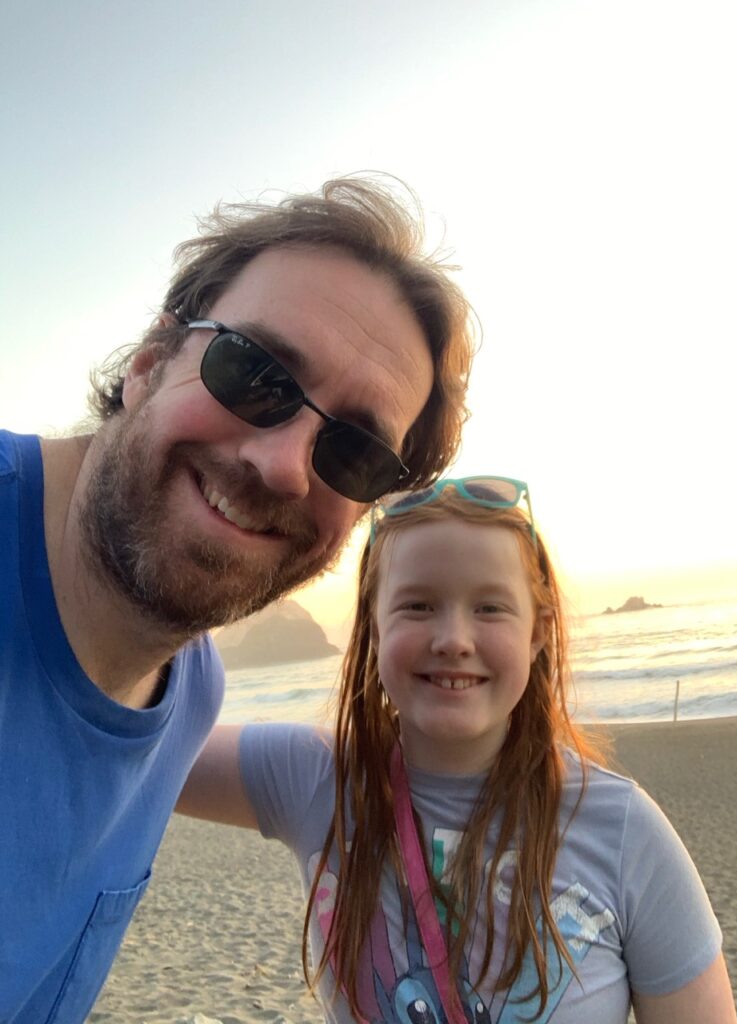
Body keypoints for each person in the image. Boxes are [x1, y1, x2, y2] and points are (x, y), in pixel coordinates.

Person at [0, 176, 475, 1022]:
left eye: (355, 453)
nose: (285, 465)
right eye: (255, 373)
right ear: (151, 361)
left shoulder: (190, 692)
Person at [179, 477, 737, 1023]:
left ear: (538, 632)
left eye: (490, 608)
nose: (453, 638)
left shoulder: (623, 832)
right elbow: (135, 740)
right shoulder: (313, 780)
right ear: (374, 626)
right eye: (418, 606)